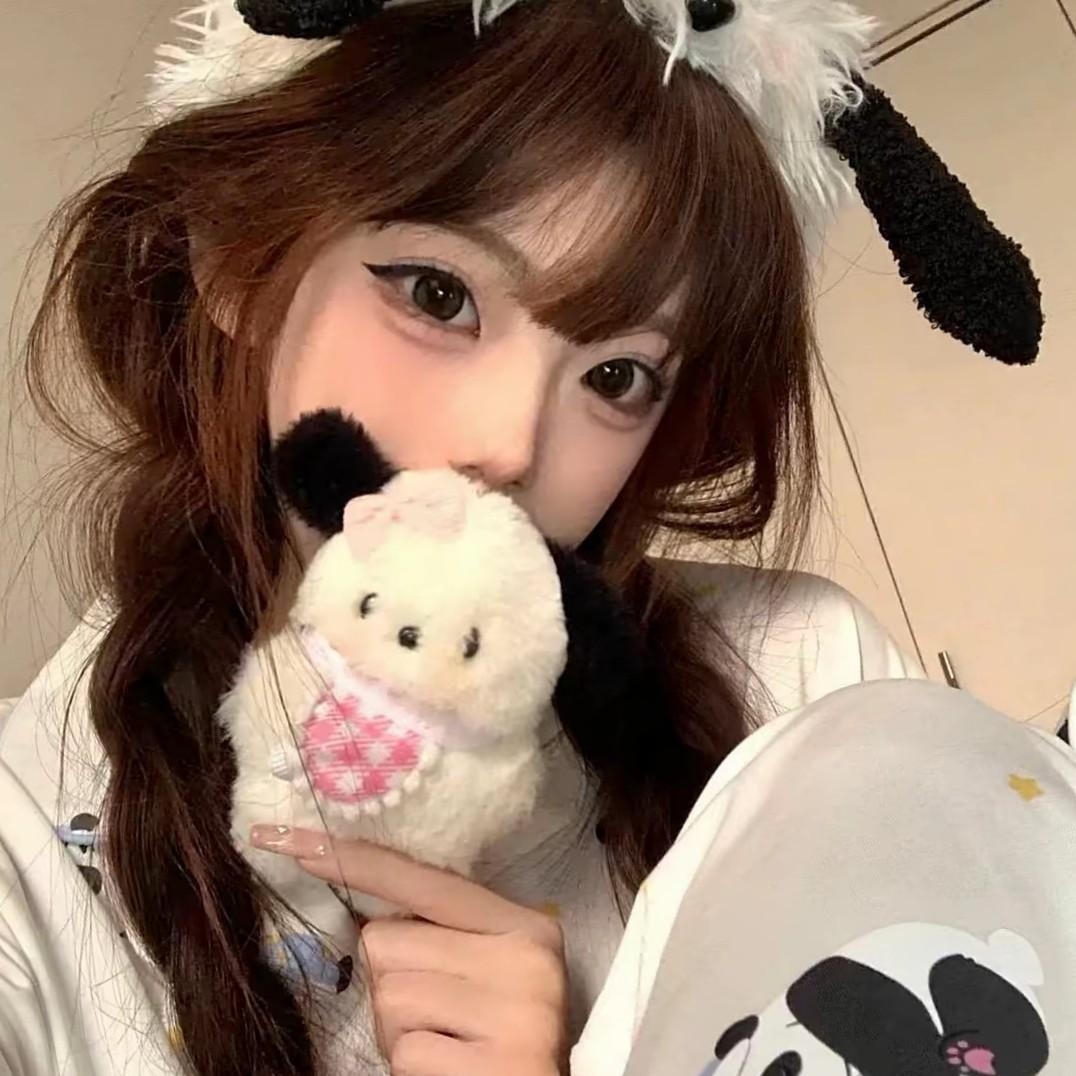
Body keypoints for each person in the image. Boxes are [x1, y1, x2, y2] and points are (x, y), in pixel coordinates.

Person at [1, 1, 1062, 1075]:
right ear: (236, 255)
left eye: (617, 375)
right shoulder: (30, 853)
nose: (507, 445)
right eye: (438, 295)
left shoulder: (803, 690)